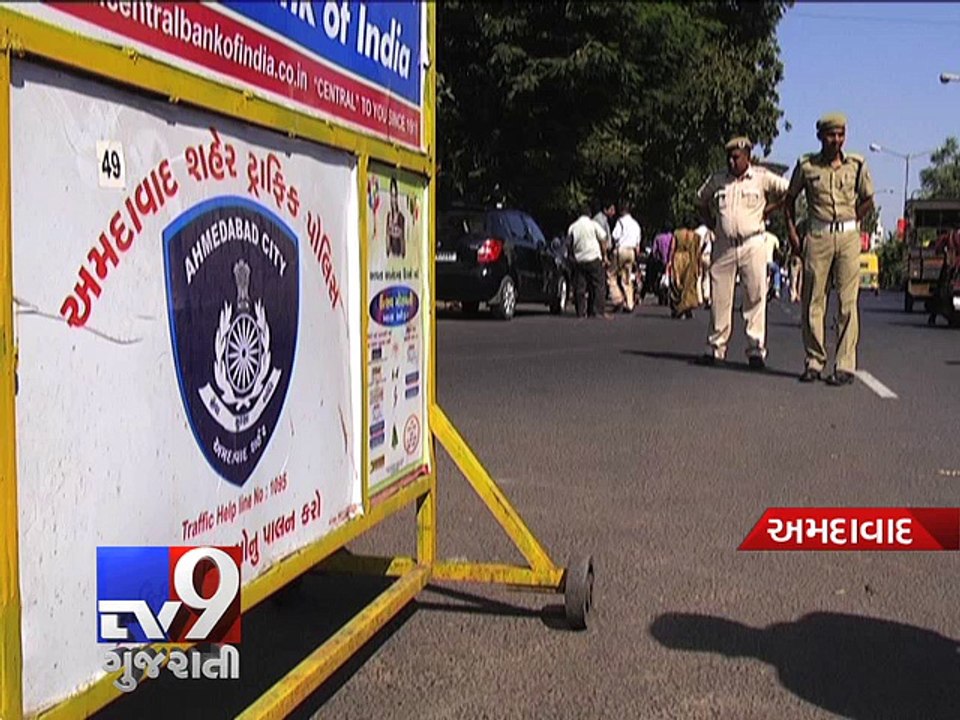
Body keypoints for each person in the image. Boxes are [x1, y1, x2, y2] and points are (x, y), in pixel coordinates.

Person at [785, 113, 875, 385]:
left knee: (848, 303)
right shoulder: (807, 166)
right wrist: (792, 234)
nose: (836, 140)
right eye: (830, 135)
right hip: (818, 236)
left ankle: (845, 365)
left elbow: (868, 200)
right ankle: (814, 361)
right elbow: (789, 200)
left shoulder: (856, 165)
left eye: (840, 134)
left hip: (847, 237)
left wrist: (852, 220)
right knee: (814, 301)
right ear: (820, 137)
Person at [696, 136, 789, 369]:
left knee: (755, 297)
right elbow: (700, 201)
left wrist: (770, 210)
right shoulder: (718, 180)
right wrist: (712, 224)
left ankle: (755, 350)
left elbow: (789, 191)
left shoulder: (761, 177)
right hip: (724, 245)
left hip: (752, 243)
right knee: (719, 299)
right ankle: (715, 348)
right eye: (728, 157)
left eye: (736, 157)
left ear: (748, 155)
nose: (731, 161)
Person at [566, 206, 609, 318]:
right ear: (589, 215)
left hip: (580, 260)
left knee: (580, 287)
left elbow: (569, 244)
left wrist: (572, 257)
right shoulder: (593, 224)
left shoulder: (573, 227)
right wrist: (604, 255)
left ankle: (581, 311)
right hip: (594, 257)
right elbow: (603, 238)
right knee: (598, 285)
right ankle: (597, 311)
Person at [610, 201, 642, 312]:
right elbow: (638, 243)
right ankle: (629, 303)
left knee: (611, 275)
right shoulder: (636, 224)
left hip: (621, 250)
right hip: (631, 251)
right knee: (627, 278)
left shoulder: (620, 222)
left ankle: (617, 298)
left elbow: (615, 235)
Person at [669, 224, 701, 319]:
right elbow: (698, 252)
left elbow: (672, 248)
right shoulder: (695, 235)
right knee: (689, 285)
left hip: (678, 257)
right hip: (689, 258)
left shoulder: (677, 233)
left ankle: (679, 308)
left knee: (677, 284)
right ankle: (687, 307)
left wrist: (670, 261)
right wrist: (698, 266)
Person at [386, 176, 406, 258]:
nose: (393, 200)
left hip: (398, 253)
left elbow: (402, 238)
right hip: (391, 255)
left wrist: (403, 251)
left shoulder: (401, 217)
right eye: (391, 196)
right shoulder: (389, 216)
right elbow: (387, 237)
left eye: (394, 196)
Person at [695, 224, 713, 308]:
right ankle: (707, 295)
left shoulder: (696, 231)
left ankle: (699, 298)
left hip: (699, 255)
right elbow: (713, 239)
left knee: (699, 276)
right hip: (708, 255)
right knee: (707, 276)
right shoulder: (708, 230)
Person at [763, 229, 782, 300]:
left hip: (760, 262)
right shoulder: (774, 238)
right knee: (777, 271)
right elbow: (778, 251)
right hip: (769, 262)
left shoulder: (760, 236)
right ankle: (777, 289)